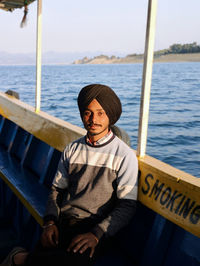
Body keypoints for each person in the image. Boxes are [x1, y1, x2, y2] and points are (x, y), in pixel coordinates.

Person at [1, 84, 138, 266]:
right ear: (82, 114)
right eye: (88, 113)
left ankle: (19, 259)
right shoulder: (72, 150)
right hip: (64, 222)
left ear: (110, 116)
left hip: (95, 228)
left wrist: (96, 234)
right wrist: (50, 222)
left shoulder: (124, 155)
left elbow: (127, 206)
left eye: (100, 113)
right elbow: (57, 190)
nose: (93, 119)